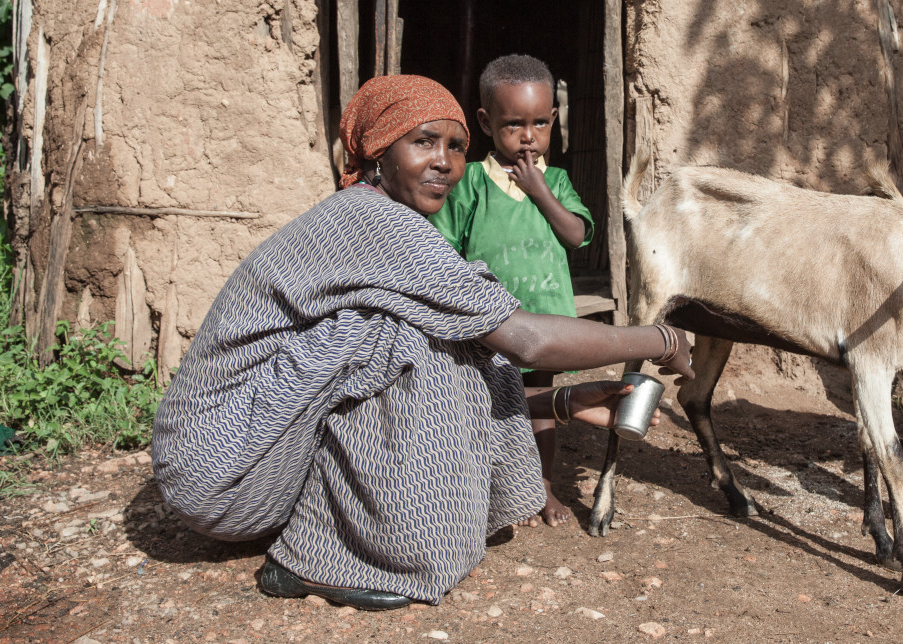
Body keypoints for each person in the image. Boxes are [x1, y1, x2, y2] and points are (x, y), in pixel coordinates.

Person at [150, 75, 693, 611]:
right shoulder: (374, 223)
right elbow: (525, 342)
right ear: (379, 152)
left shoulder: (372, 216)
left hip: (242, 460)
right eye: (423, 142)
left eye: (456, 147)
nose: (446, 163)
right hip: (220, 466)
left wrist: (561, 402)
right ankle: (317, 559)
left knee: (445, 319)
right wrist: (662, 339)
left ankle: (339, 527)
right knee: (421, 332)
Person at [430, 54, 588, 528]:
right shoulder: (471, 182)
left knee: (541, 410)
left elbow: (576, 235)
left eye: (539, 123)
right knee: (487, 409)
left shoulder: (556, 181)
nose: (527, 136)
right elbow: (443, 248)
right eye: (513, 124)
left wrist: (540, 191)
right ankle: (488, 492)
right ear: (485, 122)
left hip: (546, 322)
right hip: (489, 326)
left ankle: (542, 487)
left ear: (553, 120)